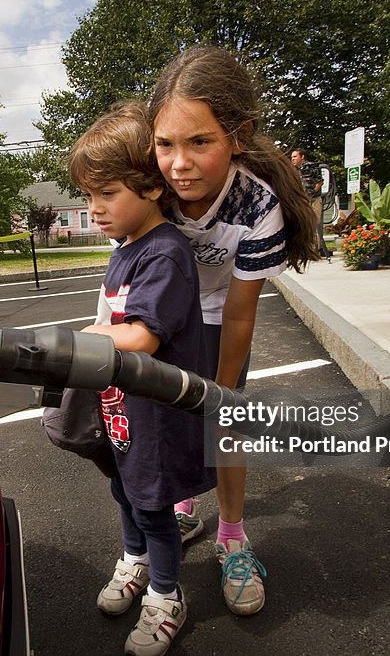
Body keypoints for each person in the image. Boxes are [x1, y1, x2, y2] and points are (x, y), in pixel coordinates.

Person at [147, 45, 319, 616]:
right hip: (167, 310)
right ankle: (179, 504)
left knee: (225, 421)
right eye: (166, 143)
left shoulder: (257, 205)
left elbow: (242, 312)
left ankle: (233, 535)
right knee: (165, 416)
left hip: (221, 310)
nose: (180, 163)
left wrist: (222, 390)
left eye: (201, 142)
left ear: (237, 137)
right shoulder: (151, 189)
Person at [69, 100, 215, 656]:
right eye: (89, 197)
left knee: (153, 504)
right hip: (122, 407)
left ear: (151, 188)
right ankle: (133, 561)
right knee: (123, 489)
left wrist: (82, 338)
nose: (96, 209)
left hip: (155, 414)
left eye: (107, 194)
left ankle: (165, 594)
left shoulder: (166, 254)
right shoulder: (125, 248)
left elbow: (142, 336)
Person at [291, 147, 333, 258]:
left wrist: (311, 193)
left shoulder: (312, 167)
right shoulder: (295, 170)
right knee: (303, 225)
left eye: (295, 156)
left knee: (313, 224)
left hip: (314, 200)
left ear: (302, 157)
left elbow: (320, 183)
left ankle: (314, 251)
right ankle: (305, 250)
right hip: (302, 201)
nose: (292, 159)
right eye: (292, 157)